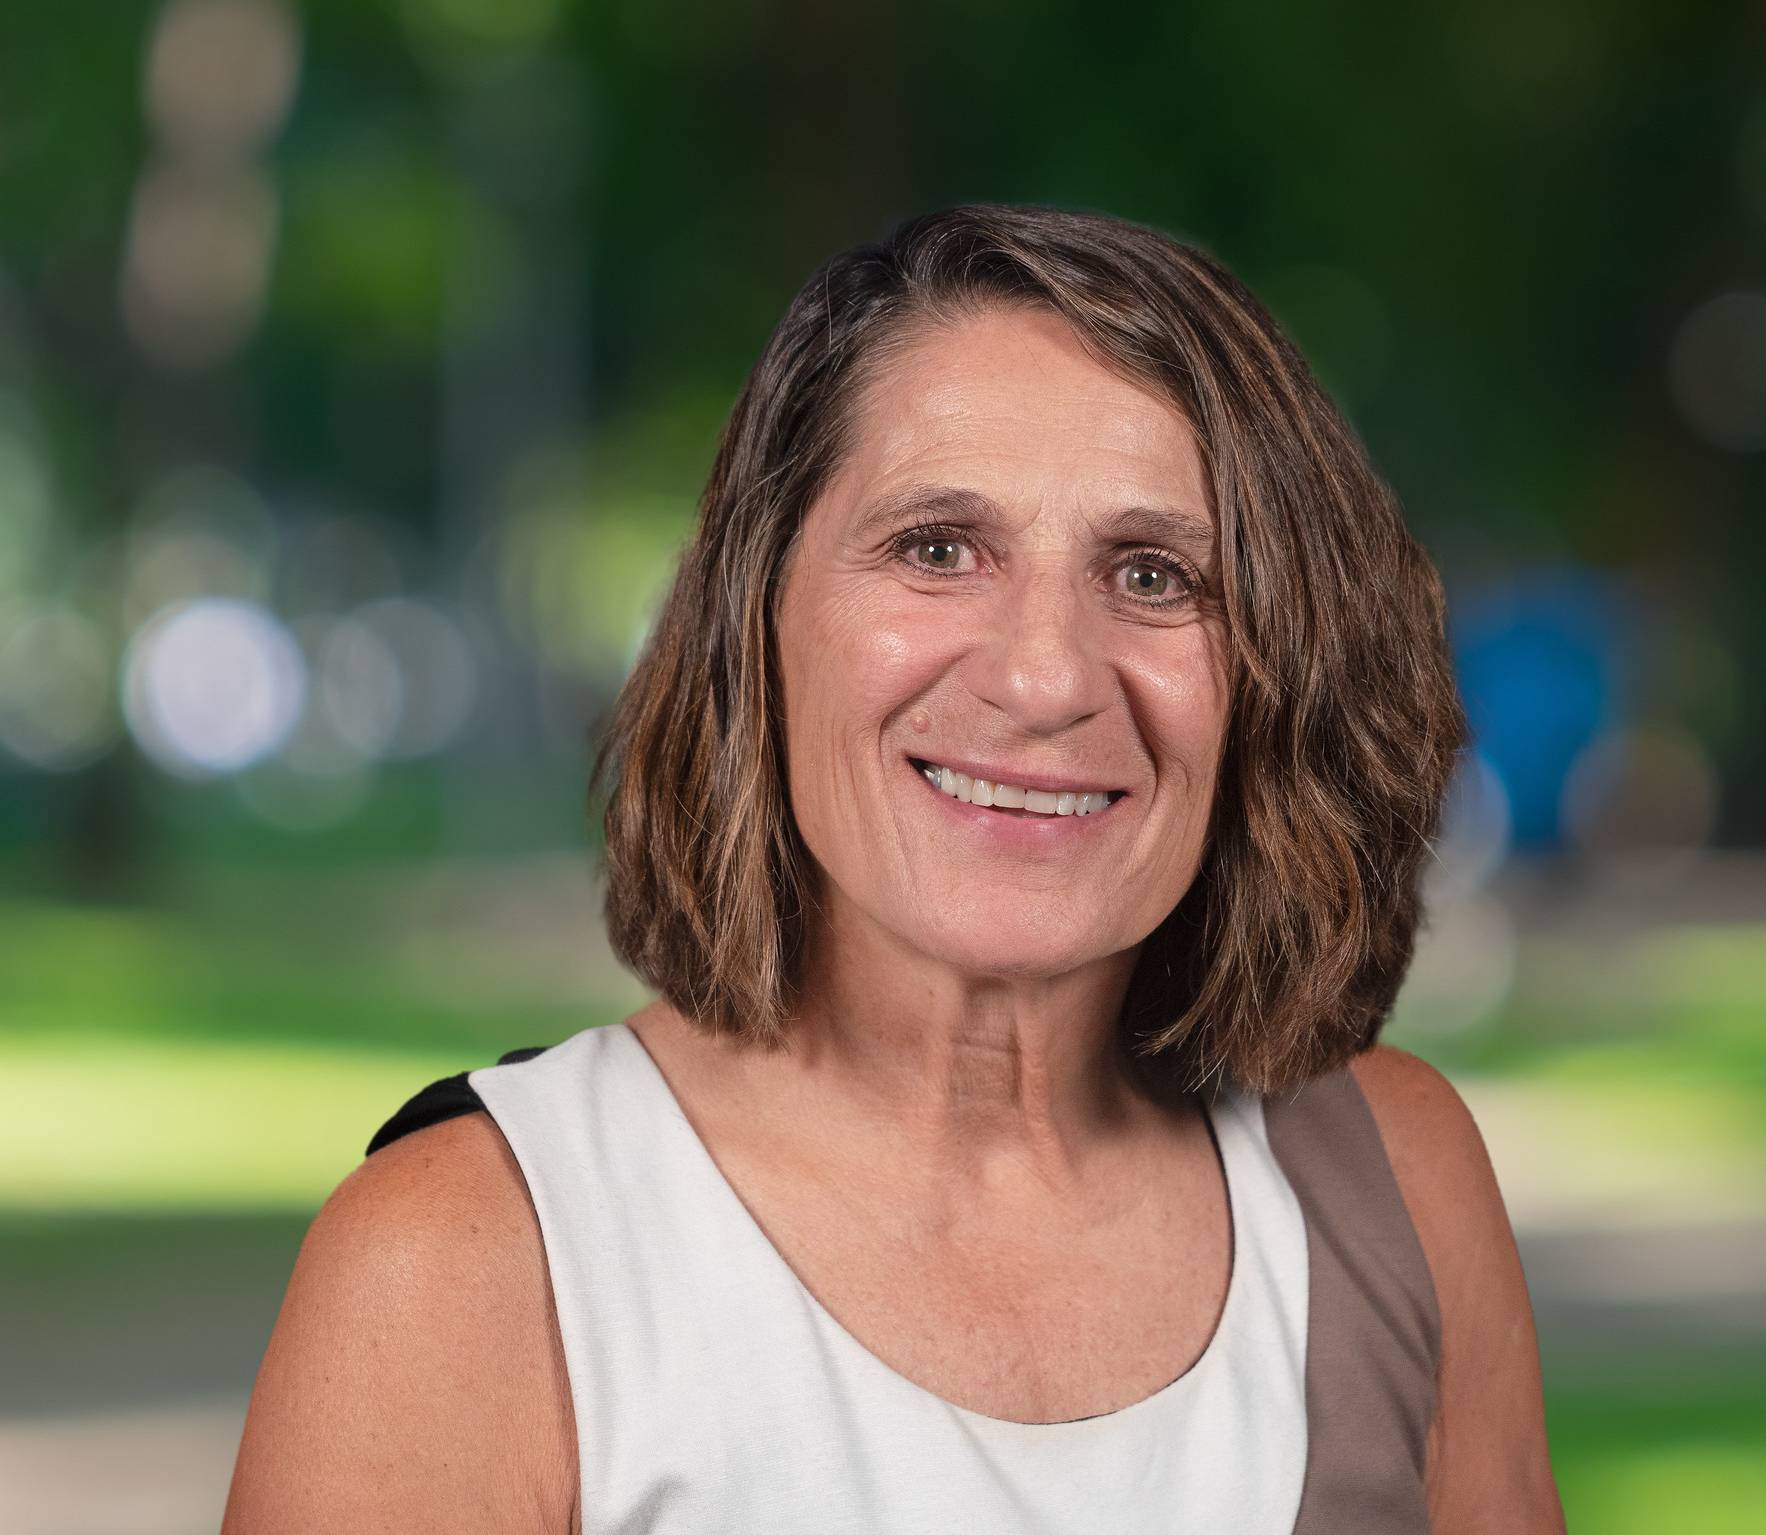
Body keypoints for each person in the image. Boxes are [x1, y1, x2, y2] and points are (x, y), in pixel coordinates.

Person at [223, 202, 1566, 1533]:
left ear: (1277, 670)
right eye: (936, 549)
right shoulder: (463, 1260)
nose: (1043, 677)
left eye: (1154, 576)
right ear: (758, 614)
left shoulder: (1395, 1184)